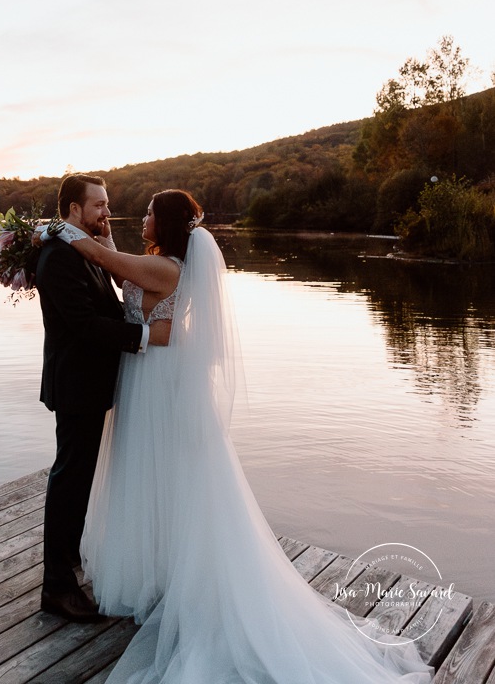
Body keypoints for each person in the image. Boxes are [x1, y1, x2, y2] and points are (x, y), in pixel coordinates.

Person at [59, 189, 433, 684]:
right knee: (156, 477)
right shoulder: (159, 264)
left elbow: (109, 261)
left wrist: (58, 232)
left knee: (175, 479)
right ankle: (164, 574)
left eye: (149, 212)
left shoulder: (167, 269)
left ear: (166, 223)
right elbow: (121, 270)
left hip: (158, 384)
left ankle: (191, 583)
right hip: (150, 378)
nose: (142, 217)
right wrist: (106, 241)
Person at [34, 173, 171, 624]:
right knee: (69, 479)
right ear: (74, 209)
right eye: (99, 206)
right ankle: (56, 587)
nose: (106, 212)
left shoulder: (82, 251)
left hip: (89, 384)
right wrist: (146, 336)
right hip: (74, 384)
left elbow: (107, 307)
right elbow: (83, 325)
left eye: (107, 204)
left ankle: (68, 564)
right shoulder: (57, 257)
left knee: (77, 478)